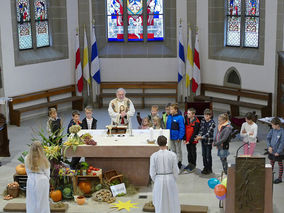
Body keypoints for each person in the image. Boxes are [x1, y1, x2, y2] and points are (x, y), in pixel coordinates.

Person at [150, 135, 180, 213]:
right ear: (167, 143)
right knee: (172, 200)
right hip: (170, 178)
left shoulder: (154, 156)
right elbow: (175, 170)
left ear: (157, 143)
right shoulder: (172, 155)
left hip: (159, 179)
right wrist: (174, 179)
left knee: (160, 200)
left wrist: (156, 180)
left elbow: (152, 172)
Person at [25, 141, 50, 213]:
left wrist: (30, 177)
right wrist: (47, 180)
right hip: (42, 179)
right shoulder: (44, 159)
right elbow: (47, 173)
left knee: (31, 200)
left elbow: (27, 171)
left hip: (31, 179)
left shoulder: (27, 158)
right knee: (43, 201)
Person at [195, 109, 216, 174]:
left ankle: (209, 168)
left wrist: (201, 137)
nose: (205, 117)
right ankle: (205, 167)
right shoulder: (203, 121)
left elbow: (208, 133)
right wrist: (198, 136)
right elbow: (201, 130)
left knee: (208, 155)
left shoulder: (212, 123)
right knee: (203, 155)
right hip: (203, 141)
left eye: (207, 115)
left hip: (208, 141)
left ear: (210, 116)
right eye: (204, 115)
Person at [166, 103, 185, 169]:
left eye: (171, 109)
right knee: (173, 150)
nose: (170, 110)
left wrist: (180, 137)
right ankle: (174, 162)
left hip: (177, 138)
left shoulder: (180, 118)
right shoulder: (169, 117)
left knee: (178, 150)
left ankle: (179, 162)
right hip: (170, 137)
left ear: (176, 110)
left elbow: (182, 128)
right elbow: (167, 127)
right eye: (170, 109)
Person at [267, 117, 284, 184]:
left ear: (277, 125)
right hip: (272, 151)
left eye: (273, 125)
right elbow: (268, 138)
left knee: (280, 164)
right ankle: (270, 176)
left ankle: (279, 178)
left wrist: (278, 152)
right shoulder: (272, 130)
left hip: (279, 152)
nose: (272, 126)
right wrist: (269, 147)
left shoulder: (282, 132)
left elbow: (282, 143)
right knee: (271, 163)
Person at [183, 108, 200, 173]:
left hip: (192, 140)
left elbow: (195, 133)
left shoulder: (197, 122)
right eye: (187, 113)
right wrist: (184, 139)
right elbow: (185, 129)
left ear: (193, 114)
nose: (187, 115)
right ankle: (189, 163)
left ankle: (193, 165)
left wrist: (189, 141)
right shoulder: (187, 119)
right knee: (188, 152)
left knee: (193, 152)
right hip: (187, 139)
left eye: (189, 114)